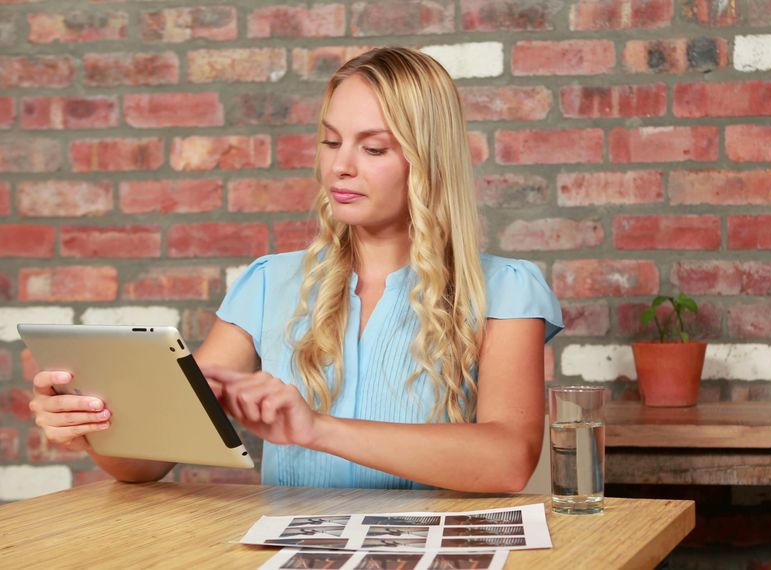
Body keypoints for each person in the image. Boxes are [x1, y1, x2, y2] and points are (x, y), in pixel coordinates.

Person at [28, 47, 563, 492]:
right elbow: (152, 460)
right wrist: (95, 426)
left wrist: (316, 428)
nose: (340, 166)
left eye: (373, 147)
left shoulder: (504, 290)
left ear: (429, 161)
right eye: (331, 142)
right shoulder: (268, 284)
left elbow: (508, 458)